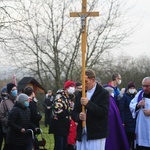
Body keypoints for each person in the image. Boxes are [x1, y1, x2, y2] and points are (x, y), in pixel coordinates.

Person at [71, 69, 109, 150]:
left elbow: (103, 112)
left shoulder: (103, 93)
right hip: (82, 134)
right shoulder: (81, 94)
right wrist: (79, 116)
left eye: (86, 81)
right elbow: (74, 113)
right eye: (82, 82)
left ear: (93, 80)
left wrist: (88, 104)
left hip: (96, 134)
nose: (84, 84)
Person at [49, 80, 76, 150]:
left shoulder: (68, 97)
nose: (73, 88)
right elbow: (58, 111)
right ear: (67, 87)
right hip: (59, 125)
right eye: (71, 86)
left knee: (64, 146)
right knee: (59, 146)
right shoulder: (59, 96)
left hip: (65, 126)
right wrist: (69, 112)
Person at [130, 77, 150, 150]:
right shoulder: (140, 94)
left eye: (147, 86)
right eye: (143, 86)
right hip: (142, 127)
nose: (144, 88)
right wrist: (138, 105)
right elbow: (131, 104)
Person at [119, 81, 137, 150]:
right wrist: (123, 121)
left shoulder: (136, 96)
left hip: (135, 121)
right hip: (127, 122)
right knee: (128, 140)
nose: (132, 89)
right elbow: (122, 110)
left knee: (134, 141)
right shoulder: (124, 97)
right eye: (130, 88)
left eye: (133, 88)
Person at [0, 83, 17, 150]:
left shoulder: (17, 99)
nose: (15, 91)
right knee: (8, 145)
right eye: (13, 90)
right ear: (9, 91)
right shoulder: (4, 102)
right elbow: (1, 115)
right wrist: (8, 123)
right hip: (7, 129)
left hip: (16, 129)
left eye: (16, 89)